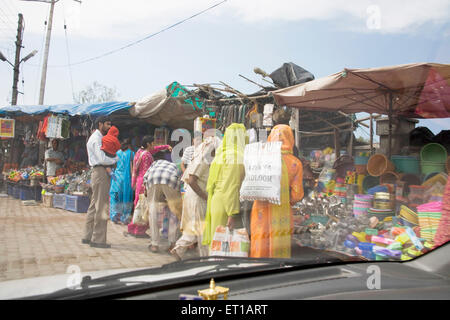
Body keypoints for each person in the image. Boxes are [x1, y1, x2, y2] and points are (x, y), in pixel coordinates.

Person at [250, 124, 304, 258]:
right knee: (279, 242)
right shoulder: (295, 163)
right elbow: (297, 195)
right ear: (290, 139)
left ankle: (259, 267)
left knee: (261, 239)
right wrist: (286, 201)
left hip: (261, 209)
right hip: (282, 212)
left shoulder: (260, 157)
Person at [170, 136, 220, 260]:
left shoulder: (202, 157)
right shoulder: (204, 160)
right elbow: (192, 180)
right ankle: (204, 258)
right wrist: (206, 197)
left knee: (196, 226)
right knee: (201, 228)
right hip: (197, 196)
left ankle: (179, 249)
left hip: (193, 194)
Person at [202, 123, 247, 250]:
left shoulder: (222, 153)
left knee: (217, 244)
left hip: (217, 201)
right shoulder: (235, 156)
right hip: (226, 205)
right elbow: (231, 186)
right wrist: (232, 213)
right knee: (223, 246)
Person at [82, 116, 118, 249]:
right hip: (100, 172)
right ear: (100, 124)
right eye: (107, 124)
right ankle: (98, 239)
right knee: (101, 206)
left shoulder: (97, 138)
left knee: (94, 205)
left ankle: (87, 236)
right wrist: (115, 158)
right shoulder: (97, 139)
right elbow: (102, 158)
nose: (109, 127)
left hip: (99, 173)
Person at [143, 150, 182, 253]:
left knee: (153, 212)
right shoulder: (172, 165)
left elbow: (145, 178)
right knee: (174, 213)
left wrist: (147, 192)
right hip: (171, 180)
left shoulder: (154, 164)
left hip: (153, 180)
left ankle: (155, 244)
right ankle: (172, 244)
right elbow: (179, 180)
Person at [131, 135, 171, 207]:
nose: (154, 145)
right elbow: (146, 172)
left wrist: (166, 146)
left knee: (138, 204)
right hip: (145, 182)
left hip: (139, 181)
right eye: (153, 143)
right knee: (145, 205)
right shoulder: (146, 155)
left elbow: (155, 149)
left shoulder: (140, 151)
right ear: (148, 144)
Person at [110, 138, 135, 225]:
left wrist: (113, 178)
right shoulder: (131, 153)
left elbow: (113, 167)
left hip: (116, 178)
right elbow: (132, 169)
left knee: (116, 197)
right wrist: (133, 180)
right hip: (126, 179)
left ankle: (114, 216)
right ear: (129, 145)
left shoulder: (117, 153)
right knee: (126, 198)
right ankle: (125, 218)